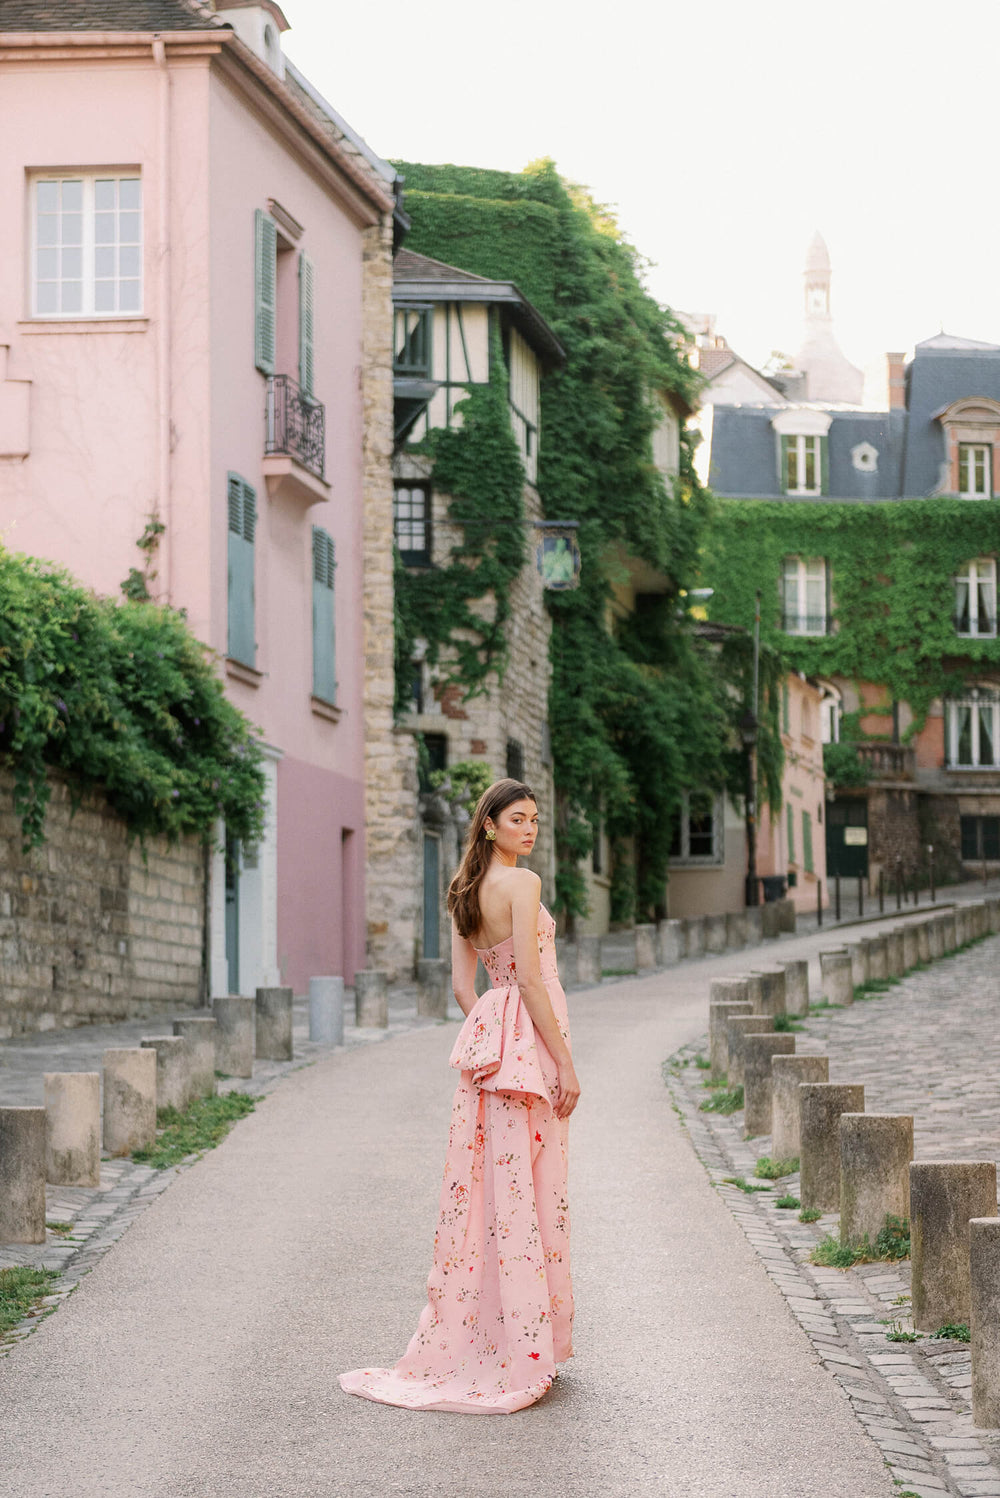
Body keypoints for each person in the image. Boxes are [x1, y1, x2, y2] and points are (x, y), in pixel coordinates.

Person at [340, 778, 580, 1414]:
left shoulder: (464, 892)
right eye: (519, 820)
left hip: (494, 1066)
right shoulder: (522, 885)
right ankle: (528, 1351)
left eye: (535, 820)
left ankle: (507, 1344)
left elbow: (463, 989)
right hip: (528, 1061)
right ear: (490, 825)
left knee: (494, 1200)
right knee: (531, 1196)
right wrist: (560, 1060)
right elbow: (530, 976)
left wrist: (493, 1041)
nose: (530, 830)